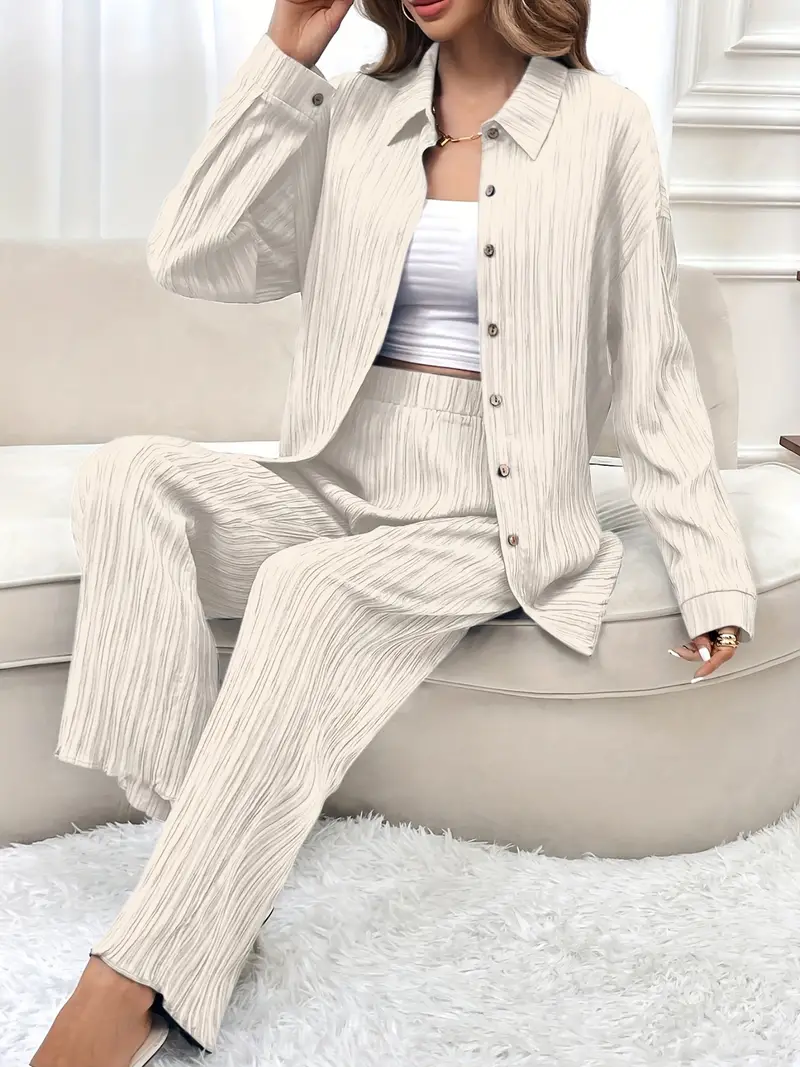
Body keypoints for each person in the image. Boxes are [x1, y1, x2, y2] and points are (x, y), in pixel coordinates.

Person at [31, 0, 757, 1063]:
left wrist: (710, 571)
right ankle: (204, 866)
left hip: (492, 510)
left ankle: (137, 973)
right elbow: (192, 254)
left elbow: (653, 365)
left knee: (306, 588)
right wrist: (285, 57)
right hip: (341, 476)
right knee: (129, 477)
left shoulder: (603, 123)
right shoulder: (357, 114)